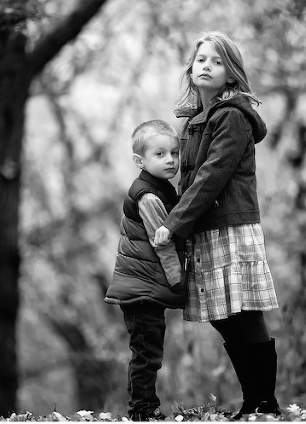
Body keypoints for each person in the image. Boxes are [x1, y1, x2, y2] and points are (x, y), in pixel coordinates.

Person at [154, 31, 281, 419]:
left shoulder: (231, 117)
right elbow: (186, 180)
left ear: (231, 75)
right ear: (191, 69)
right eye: (201, 60)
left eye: (217, 61)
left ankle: (266, 405)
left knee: (244, 313)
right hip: (205, 230)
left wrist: (174, 225)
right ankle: (253, 401)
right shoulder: (193, 122)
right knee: (223, 316)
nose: (206, 66)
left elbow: (211, 177)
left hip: (232, 226)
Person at [105, 119, 188, 421]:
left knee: (150, 352)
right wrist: (177, 279)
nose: (170, 160)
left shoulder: (160, 188)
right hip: (140, 290)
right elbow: (161, 243)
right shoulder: (149, 196)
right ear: (140, 161)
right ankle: (142, 411)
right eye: (160, 154)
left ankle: (146, 408)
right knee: (146, 355)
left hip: (145, 287)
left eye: (175, 154)